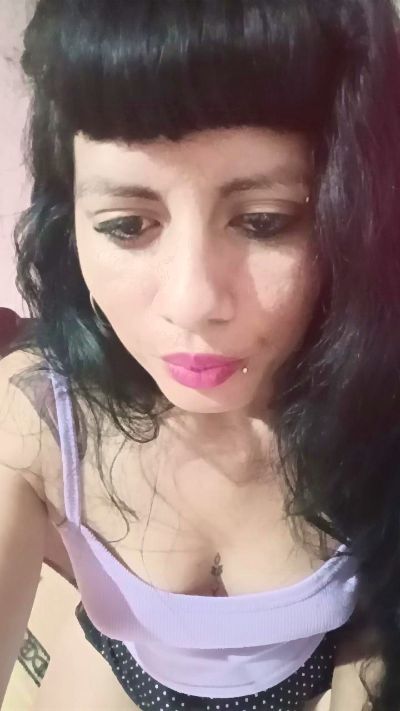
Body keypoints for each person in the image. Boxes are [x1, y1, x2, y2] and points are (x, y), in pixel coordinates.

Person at [1, 0, 399, 708]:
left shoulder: (378, 408)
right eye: (127, 225)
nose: (192, 302)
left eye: (263, 222)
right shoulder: (36, 415)